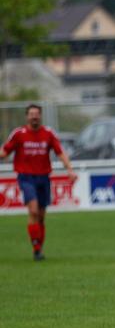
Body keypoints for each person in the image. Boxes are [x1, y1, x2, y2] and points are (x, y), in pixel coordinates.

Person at [1, 104, 77, 260]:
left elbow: (60, 152)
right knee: (33, 211)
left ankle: (38, 249)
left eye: (36, 114)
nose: (34, 116)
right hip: (26, 177)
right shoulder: (19, 134)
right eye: (31, 114)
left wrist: (70, 170)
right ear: (26, 116)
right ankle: (36, 248)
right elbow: (5, 151)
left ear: (40, 116)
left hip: (43, 178)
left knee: (41, 216)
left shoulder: (48, 133)